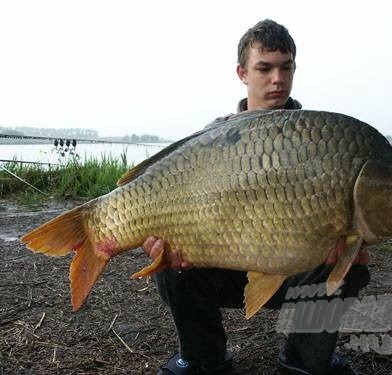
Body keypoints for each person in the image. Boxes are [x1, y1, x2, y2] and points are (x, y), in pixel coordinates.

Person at [143, 19, 370, 375]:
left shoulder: (319, 140)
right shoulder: (211, 140)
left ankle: (304, 358)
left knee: (352, 267)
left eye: (286, 67)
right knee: (170, 265)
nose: (277, 79)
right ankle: (204, 359)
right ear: (242, 73)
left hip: (293, 271)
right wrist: (158, 241)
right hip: (225, 270)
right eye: (264, 68)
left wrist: (343, 241)